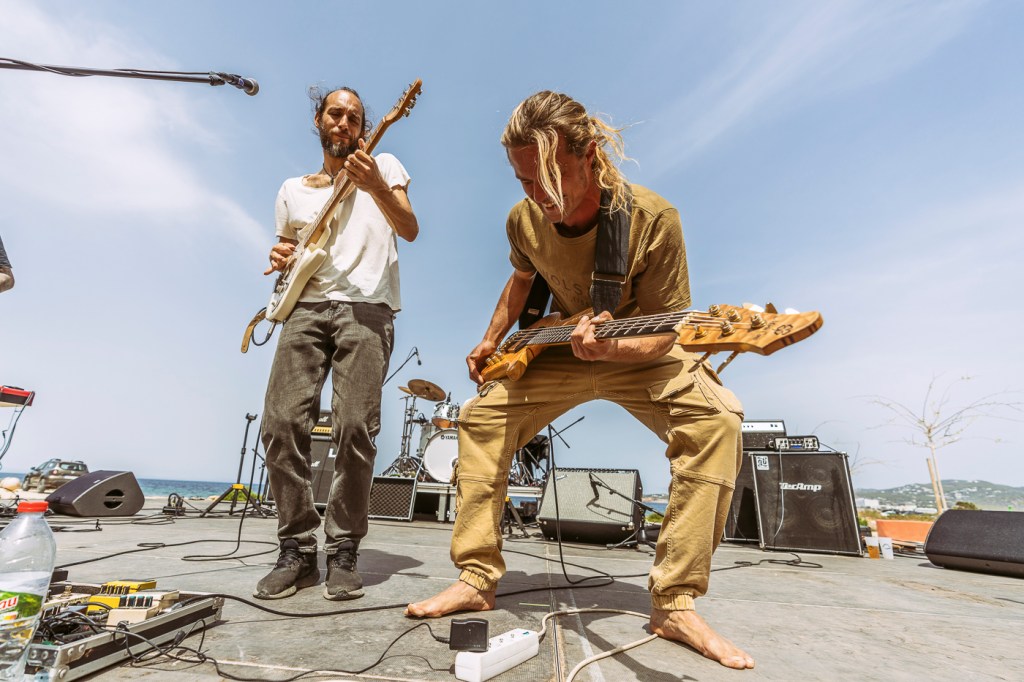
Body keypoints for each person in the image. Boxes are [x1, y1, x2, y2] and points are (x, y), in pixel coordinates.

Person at [406, 91, 754, 669]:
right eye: (524, 181)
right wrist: (492, 337)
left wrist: (613, 348)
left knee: (716, 422)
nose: (538, 195)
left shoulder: (653, 219)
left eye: (548, 178)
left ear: (588, 154)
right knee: (480, 417)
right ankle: (476, 577)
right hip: (561, 344)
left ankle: (674, 602)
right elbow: (522, 279)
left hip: (639, 345)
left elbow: (666, 331)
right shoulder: (523, 219)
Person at [255, 86, 418, 601]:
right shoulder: (291, 189)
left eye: (353, 116)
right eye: (335, 113)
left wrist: (376, 186)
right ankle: (297, 549)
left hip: (368, 307)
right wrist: (280, 254)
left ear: (365, 128)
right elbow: (289, 250)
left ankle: (344, 548)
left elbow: (409, 228)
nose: (343, 122)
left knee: (354, 427)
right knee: (281, 423)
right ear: (319, 120)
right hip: (305, 309)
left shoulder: (384, 164)